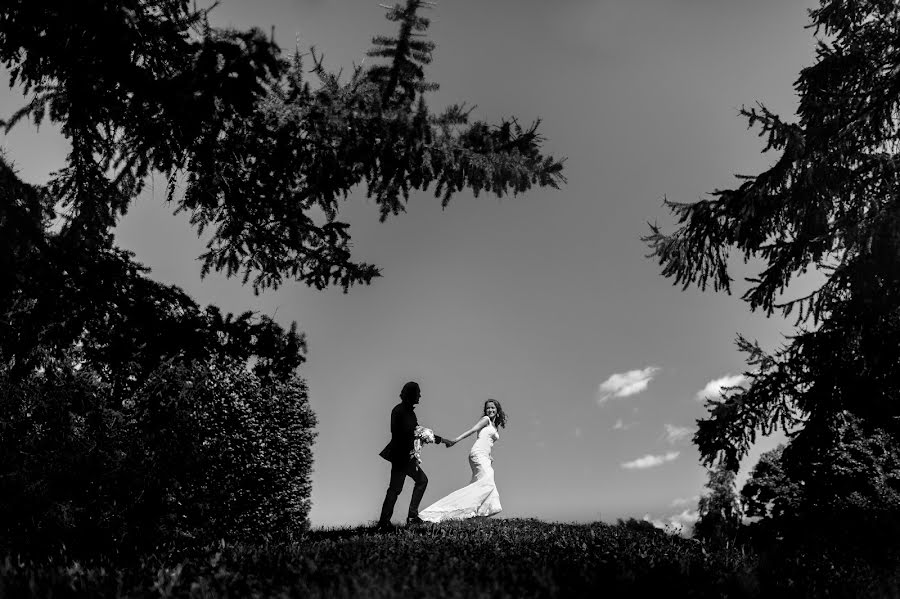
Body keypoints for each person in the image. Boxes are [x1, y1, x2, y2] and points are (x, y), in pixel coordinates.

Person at [377, 381, 452, 529]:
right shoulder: (400, 410)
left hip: (404, 456)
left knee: (399, 487)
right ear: (411, 394)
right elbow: (408, 432)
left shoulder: (408, 411)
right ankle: (403, 518)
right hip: (402, 456)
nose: (420, 396)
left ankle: (387, 521)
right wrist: (417, 441)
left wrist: (441, 439)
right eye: (418, 393)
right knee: (412, 483)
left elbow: (418, 431)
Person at [418, 399, 507, 523]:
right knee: (487, 484)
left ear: (497, 410)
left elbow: (486, 441)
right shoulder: (485, 420)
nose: (490, 410)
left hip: (485, 456)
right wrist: (455, 440)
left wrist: (489, 455)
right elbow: (472, 431)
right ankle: (440, 510)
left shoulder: (494, 426)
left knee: (482, 484)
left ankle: (477, 515)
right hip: (478, 454)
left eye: (492, 408)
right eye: (488, 408)